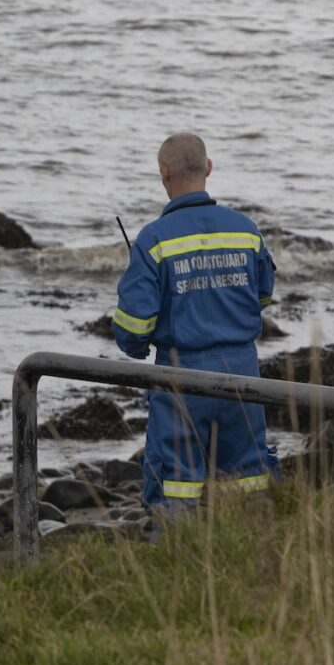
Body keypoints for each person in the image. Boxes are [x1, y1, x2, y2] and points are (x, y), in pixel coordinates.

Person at [112, 132, 279, 511]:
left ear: (163, 172)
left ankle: (171, 554)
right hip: (243, 372)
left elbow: (134, 326)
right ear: (208, 167)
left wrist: (138, 347)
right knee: (248, 477)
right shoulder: (245, 230)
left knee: (175, 483)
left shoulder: (153, 239)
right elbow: (263, 296)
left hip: (179, 376)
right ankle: (253, 552)